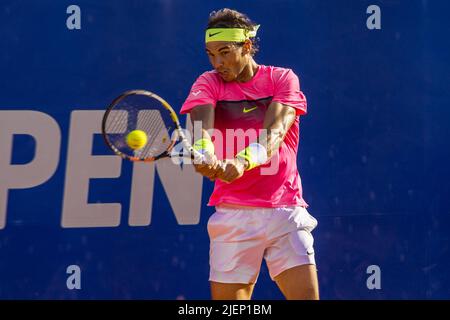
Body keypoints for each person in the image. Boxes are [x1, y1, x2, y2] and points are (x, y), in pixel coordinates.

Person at [180, 8, 319, 300]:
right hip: (233, 215)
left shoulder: (282, 79)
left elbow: (277, 131)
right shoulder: (207, 83)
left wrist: (242, 162)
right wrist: (205, 155)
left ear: (246, 46)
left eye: (225, 52)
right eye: (210, 54)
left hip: (285, 211)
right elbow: (200, 127)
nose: (217, 62)